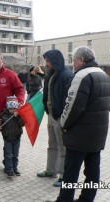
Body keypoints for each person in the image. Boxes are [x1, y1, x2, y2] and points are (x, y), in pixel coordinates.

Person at [54, 46, 110, 202]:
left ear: (81, 60)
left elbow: (72, 106)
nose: (73, 64)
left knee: (71, 173)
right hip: (98, 135)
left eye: (73, 61)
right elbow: (108, 105)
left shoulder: (82, 76)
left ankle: (65, 199)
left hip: (79, 136)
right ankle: (87, 199)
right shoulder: (104, 75)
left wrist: (63, 125)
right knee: (92, 171)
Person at [38, 49, 74, 187]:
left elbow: (69, 100)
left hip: (60, 118)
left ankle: (63, 176)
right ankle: (50, 170)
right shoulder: (50, 74)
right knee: (51, 144)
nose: (46, 64)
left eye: (48, 61)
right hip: (51, 116)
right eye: (45, 61)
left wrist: (64, 118)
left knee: (62, 147)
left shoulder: (66, 75)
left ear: (55, 61)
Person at [0, 96, 24, 178]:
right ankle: (9, 170)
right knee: (8, 155)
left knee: (15, 155)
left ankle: (15, 168)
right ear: (8, 108)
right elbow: (0, 125)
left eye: (14, 108)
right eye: (11, 109)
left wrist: (18, 116)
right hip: (7, 139)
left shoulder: (18, 115)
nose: (13, 110)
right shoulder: (3, 115)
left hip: (17, 138)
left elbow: (22, 124)